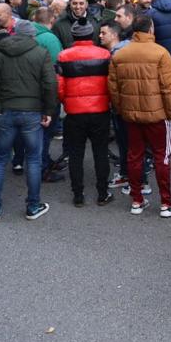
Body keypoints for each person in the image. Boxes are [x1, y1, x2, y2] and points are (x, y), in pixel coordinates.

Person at [108, 14, 171, 217]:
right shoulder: (161, 53)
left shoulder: (120, 55)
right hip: (158, 116)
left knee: (134, 156)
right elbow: (169, 88)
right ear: (150, 30)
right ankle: (166, 203)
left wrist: (122, 109)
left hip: (131, 115)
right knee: (162, 156)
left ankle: (137, 200)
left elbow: (113, 89)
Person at [0, 19, 58, 222]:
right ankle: (33, 205)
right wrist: (49, 110)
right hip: (32, 112)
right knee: (33, 159)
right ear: (32, 36)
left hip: (5, 111)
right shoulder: (41, 53)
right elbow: (50, 84)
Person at [57, 19, 114, 208]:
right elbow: (111, 83)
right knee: (100, 152)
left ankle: (78, 194)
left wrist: (67, 102)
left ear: (74, 36)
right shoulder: (105, 54)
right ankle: (102, 192)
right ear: (91, 35)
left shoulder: (64, 56)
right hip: (100, 110)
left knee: (75, 154)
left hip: (75, 113)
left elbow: (60, 87)